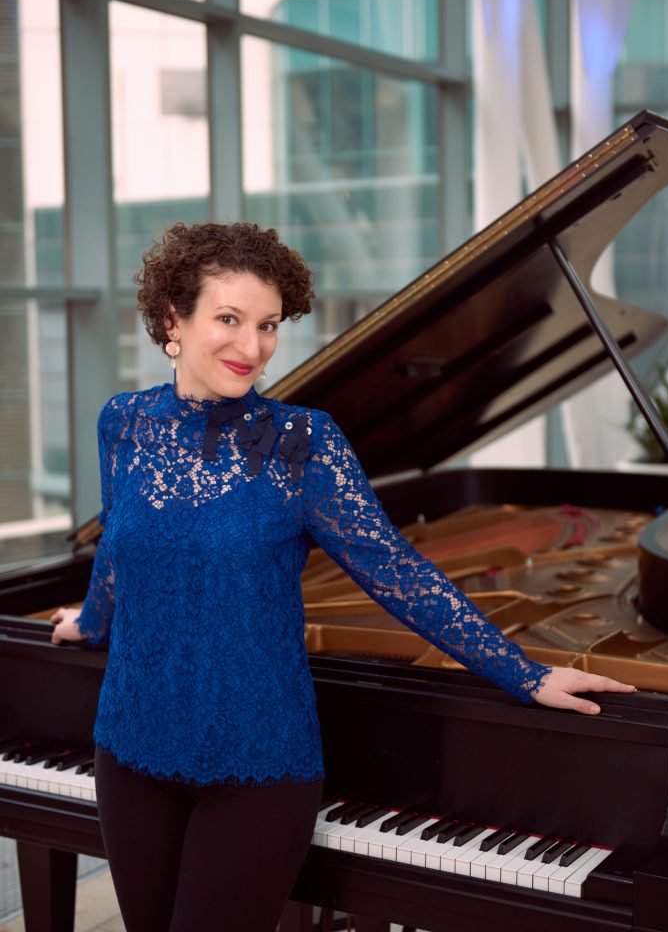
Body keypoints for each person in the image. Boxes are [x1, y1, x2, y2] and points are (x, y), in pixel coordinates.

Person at [50, 221, 635, 932]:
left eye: (267, 325)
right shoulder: (125, 422)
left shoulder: (304, 443)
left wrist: (525, 673)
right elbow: (119, 543)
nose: (253, 346)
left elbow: (393, 570)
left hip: (256, 765)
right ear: (172, 320)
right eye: (228, 319)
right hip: (130, 750)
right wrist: (91, 621)